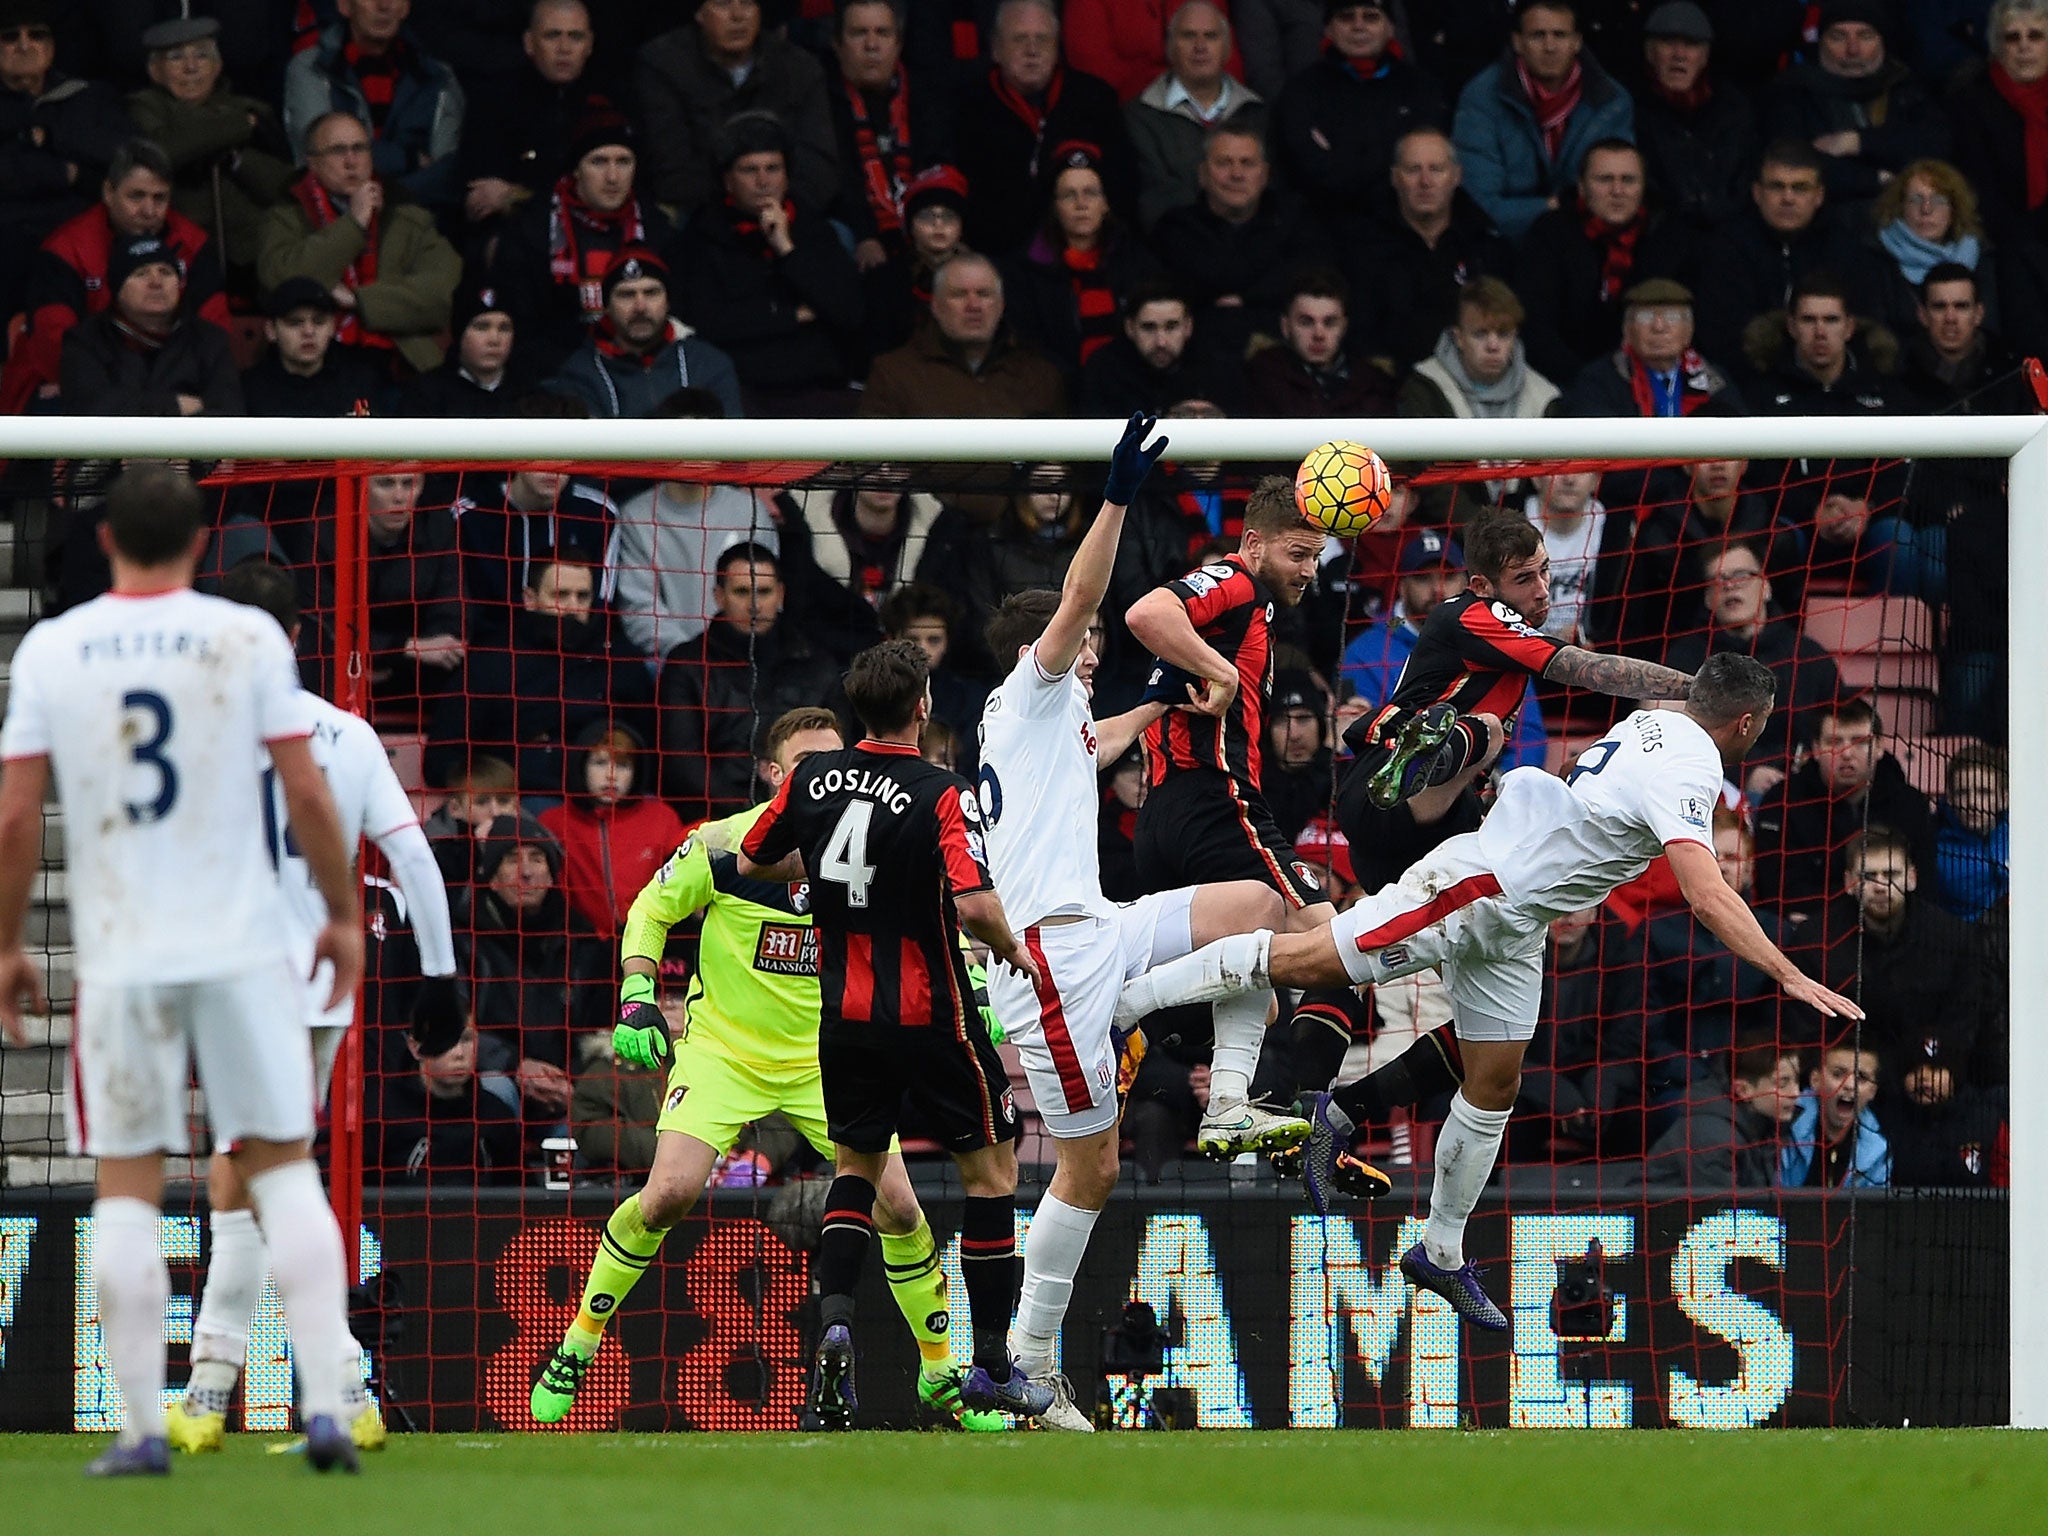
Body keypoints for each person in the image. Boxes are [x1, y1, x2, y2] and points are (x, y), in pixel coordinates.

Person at [1116, 653, 1864, 1328]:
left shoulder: (1658, 721)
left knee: (1494, 1079)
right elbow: (1707, 894)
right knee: (1308, 960)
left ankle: (1438, 1249)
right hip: (1480, 886)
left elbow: (1657, 695)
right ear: (1749, 722)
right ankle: (1128, 1003)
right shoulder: (1692, 766)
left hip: (1519, 918)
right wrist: (1790, 974)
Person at [0, 465, 367, 1473]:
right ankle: (330, 1410)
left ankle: (142, 1430)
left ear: (105, 538)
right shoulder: (245, 637)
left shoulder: (52, 648)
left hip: (125, 951)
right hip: (246, 947)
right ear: (203, 547)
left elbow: (17, 814)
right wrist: (340, 915)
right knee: (286, 1171)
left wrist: (3, 944)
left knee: (126, 1187)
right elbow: (304, 790)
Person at [529, 705, 1006, 1430]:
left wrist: (971, 992)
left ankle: (939, 1377)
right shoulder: (723, 845)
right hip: (724, 1053)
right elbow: (652, 911)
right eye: (810, 767)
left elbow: (932, 922)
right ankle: (577, 1343)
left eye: (836, 764)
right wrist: (634, 996)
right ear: (776, 775)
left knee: (901, 1209)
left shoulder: (873, 847)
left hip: (829, 1055)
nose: (831, 781)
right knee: (668, 1196)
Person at [976, 413, 1313, 1435]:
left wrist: (1178, 699)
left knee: (1269, 907)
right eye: (1074, 654)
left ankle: (1225, 1104)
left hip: (1096, 929)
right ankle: (1024, 1365)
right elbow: (1086, 599)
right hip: (1049, 968)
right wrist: (1116, 497)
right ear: (1046, 652)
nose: (1087, 662)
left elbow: (1111, 728)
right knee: (1093, 1166)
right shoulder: (1030, 692)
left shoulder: (1047, 727)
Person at [167, 559, 460, 1459]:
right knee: (247, 1172)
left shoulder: (192, 732)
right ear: (296, 636)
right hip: (324, 985)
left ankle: (336, 1389)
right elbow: (413, 860)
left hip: (238, 979)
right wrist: (441, 980)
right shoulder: (346, 733)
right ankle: (213, 1393)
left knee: (267, 1174)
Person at [737, 639, 1052, 1425]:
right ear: (922, 704)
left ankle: (837, 1323)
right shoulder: (942, 791)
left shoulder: (810, 778)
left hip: (844, 1020)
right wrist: (1015, 953)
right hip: (932, 1017)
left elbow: (750, 858)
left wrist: (823, 867)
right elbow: (975, 904)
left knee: (855, 1174)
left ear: (855, 710)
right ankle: (988, 1367)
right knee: (991, 1177)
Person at [0, 136, 232, 415]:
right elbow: (54, 342)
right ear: (109, 192)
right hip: (77, 383)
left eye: (160, 198)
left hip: (176, 382)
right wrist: (144, 402)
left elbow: (216, 335)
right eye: (136, 196)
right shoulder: (66, 248)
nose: (149, 210)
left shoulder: (194, 246)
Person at [676, 113, 864, 415]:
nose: (763, 181)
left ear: (787, 176)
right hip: (742, 390)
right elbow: (707, 323)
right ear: (727, 180)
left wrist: (786, 249)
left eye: (773, 169)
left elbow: (849, 311)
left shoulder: (813, 228)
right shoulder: (701, 236)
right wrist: (792, 315)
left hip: (819, 387)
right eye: (749, 170)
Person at [425, 554, 656, 795]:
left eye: (582, 596)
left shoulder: (620, 660)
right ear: (530, 599)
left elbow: (647, 753)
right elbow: (442, 758)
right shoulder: (492, 660)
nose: (572, 607)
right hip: (519, 806)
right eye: (560, 595)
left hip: (606, 806)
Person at [257, 109, 463, 375]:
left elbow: (442, 295)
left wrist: (359, 300)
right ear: (313, 162)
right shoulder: (286, 213)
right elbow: (281, 281)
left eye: (360, 149)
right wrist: (353, 224)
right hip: (316, 365)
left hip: (400, 361)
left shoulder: (406, 213)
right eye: (338, 150)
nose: (351, 161)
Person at [488, 106, 675, 376]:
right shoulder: (532, 231)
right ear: (576, 169)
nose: (613, 177)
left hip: (643, 368)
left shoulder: (657, 229)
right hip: (558, 371)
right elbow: (520, 329)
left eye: (623, 162)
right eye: (598, 162)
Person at [656, 543, 839, 820]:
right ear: (719, 596)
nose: (754, 604)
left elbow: (838, 749)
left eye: (764, 592)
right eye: (742, 591)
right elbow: (682, 763)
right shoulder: (687, 666)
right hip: (712, 820)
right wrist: (748, 813)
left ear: (780, 593)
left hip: (807, 815)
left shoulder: (818, 664)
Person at [952, 0, 1133, 257]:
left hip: (1086, 251)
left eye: (1042, 39)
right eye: (1020, 39)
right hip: (996, 254)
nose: (1032, 50)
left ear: (1057, 48)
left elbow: (1121, 185)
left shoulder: (1094, 100)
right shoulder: (967, 106)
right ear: (995, 49)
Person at [127, 14, 295, 281]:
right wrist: (236, 127)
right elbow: (161, 154)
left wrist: (237, 160)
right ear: (155, 71)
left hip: (255, 256)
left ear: (218, 66)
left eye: (202, 56)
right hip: (183, 257)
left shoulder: (253, 109)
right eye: (176, 57)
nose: (190, 67)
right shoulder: (144, 108)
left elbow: (286, 186)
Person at [634, 0, 838, 219]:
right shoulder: (663, 65)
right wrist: (739, 210)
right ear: (699, 14)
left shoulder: (799, 67)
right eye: (723, 4)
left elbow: (819, 166)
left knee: (838, 235)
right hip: (701, 216)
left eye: (748, 4)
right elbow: (671, 169)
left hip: (788, 212)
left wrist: (781, 211)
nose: (738, 16)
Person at [1450, 0, 1634, 242]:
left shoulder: (1611, 101)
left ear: (1577, 41)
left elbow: (1617, 200)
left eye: (1560, 35)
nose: (1550, 46)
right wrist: (1556, 207)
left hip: (1589, 243)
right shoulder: (1481, 98)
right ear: (1517, 42)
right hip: (1504, 245)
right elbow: (1478, 206)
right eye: (1538, 35)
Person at [1660, 543, 1841, 785]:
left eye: (1741, 575)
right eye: (1718, 580)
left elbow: (1841, 729)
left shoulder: (1809, 657)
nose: (1730, 585)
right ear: (1707, 599)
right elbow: (1668, 742)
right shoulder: (1684, 659)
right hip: (1714, 791)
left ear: (1766, 587)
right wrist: (1744, 776)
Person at [1817, 828, 1992, 1077]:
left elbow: (1963, 1020)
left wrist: (1941, 1066)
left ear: (1911, 878)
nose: (1880, 886)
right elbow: (1808, 1029)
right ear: (1848, 883)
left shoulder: (1954, 938)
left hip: (1929, 1073)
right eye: (1868, 876)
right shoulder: (1817, 940)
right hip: (1847, 1077)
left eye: (1891, 874)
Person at [1693, 139, 1882, 367]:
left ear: (1819, 195)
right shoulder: (1725, 247)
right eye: (1776, 186)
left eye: (1800, 188)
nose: (1788, 198)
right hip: (1749, 382)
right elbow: (1721, 336)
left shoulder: (1846, 250)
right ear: (1757, 193)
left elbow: (1866, 325)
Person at [1515, 139, 1688, 385]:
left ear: (1643, 188)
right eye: (1605, 179)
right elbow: (1535, 327)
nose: (1617, 190)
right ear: (1582, 187)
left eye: (1628, 180)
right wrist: (1590, 384)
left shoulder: (1670, 239)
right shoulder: (1550, 234)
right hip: (1563, 383)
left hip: (1655, 382)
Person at [1345, 125, 1514, 374]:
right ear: (1394, 177)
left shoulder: (1486, 245)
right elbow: (1359, 334)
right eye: (1413, 170)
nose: (1425, 181)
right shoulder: (1363, 247)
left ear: (1457, 176)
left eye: (1436, 169)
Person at [1149, 124, 1329, 358]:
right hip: (1200, 359)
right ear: (1202, 174)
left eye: (1247, 163)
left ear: (1265, 175)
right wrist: (1268, 287)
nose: (1236, 174)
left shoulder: (1296, 217)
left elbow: (1315, 277)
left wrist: (1245, 297)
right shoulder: (1175, 227)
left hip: (1288, 357)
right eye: (1224, 163)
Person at [1750, 693, 1938, 915]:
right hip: (1807, 935)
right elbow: (1777, 893)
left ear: (1879, 747)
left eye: (1859, 742)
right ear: (1817, 748)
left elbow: (1924, 889)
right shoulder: (1781, 801)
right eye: (1835, 742)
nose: (1847, 753)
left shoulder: (1910, 804)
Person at [1762, 0, 1950, 212]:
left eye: (1865, 36)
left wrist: (1857, 142)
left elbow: (1935, 145)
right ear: (1820, 41)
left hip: (1905, 218)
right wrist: (1878, 179)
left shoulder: (1904, 86)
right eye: (1838, 37)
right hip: (1825, 220)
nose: (1853, 49)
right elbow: (1793, 163)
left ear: (1882, 41)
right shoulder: (1792, 92)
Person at [282, 0, 466, 216]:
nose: (384, 5)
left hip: (419, 224)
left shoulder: (438, 76)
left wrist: (383, 200)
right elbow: (324, 159)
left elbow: (446, 171)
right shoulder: (312, 69)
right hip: (335, 222)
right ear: (344, 5)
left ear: (406, 7)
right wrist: (410, 159)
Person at [1002, 140, 1159, 390]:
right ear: (1054, 206)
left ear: (1105, 203)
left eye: (1091, 193)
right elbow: (1030, 346)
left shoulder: (1137, 262)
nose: (1081, 204)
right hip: (1056, 394)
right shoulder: (1026, 270)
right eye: (1068, 195)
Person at [1271, 2, 1445, 227]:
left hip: (1404, 227)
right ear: (1329, 29)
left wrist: (1342, 159)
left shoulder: (1422, 89)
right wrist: (1388, 164)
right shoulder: (1302, 92)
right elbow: (1308, 170)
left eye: (1371, 17)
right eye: (1346, 17)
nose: (1358, 26)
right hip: (1326, 228)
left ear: (1391, 28)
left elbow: (1425, 163)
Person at [543, 245, 744, 420]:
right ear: (606, 306)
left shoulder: (708, 364)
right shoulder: (579, 374)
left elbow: (734, 446)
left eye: (651, 293)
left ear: (668, 302)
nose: (640, 306)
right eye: (626, 295)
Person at [859, 251, 1067, 421]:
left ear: (1002, 305)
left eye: (984, 294)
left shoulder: (1041, 376)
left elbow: (1065, 462)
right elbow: (872, 465)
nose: (974, 306)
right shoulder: (893, 375)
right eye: (959, 294)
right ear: (936, 306)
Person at [456, 0, 607, 230]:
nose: (564, 48)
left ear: (589, 45)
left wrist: (516, 195)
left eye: (575, 37)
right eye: (552, 36)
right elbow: (480, 198)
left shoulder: (610, 103)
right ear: (529, 43)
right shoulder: (494, 100)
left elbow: (617, 194)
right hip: (514, 233)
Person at [59, 234, 242, 416]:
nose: (156, 282)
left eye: (165, 272)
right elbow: (91, 410)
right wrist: (173, 405)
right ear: (118, 289)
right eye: (141, 273)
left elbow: (229, 412)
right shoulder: (85, 341)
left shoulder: (210, 339)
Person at [538, 723, 686, 938]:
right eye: (600, 763)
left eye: (623, 765)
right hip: (578, 944)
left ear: (637, 772)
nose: (611, 775)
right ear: (581, 766)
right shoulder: (553, 822)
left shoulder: (662, 818)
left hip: (653, 939)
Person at [1127, 2, 1266, 230]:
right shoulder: (1139, 117)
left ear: (1227, 48)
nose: (1200, 46)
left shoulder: (1257, 113)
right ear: (1170, 47)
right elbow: (1153, 200)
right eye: (1188, 36)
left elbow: (1272, 194)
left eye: (1210, 36)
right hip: (1177, 248)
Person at [1630, 2, 1759, 241]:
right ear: (1650, 52)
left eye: (1691, 44)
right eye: (1668, 43)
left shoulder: (1733, 109)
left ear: (1705, 57)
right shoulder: (1631, 110)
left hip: (1729, 236)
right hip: (1660, 238)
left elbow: (1745, 180)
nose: (1679, 55)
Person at [1642, 1027, 1802, 1189]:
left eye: (1796, 1081)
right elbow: (1721, 1211)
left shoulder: (1761, 1125)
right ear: (1743, 1090)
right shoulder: (1713, 1138)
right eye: (1782, 1084)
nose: (1795, 1093)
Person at [1560, 277, 1743, 417]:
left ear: (1689, 330)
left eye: (1671, 317)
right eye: (1645, 317)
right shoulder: (1599, 381)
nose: (1659, 327)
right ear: (1627, 329)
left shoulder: (1714, 380)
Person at [1864, 159, 1999, 345]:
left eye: (1938, 200)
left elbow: (1990, 329)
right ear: (1900, 207)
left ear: (1954, 209)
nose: (1926, 209)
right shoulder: (1876, 257)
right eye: (1916, 200)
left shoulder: (1981, 256)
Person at [1240, 267, 1393, 418]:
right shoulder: (1262, 379)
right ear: (1285, 326)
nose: (1319, 334)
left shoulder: (1373, 384)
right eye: (1306, 322)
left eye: (1330, 322)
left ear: (1344, 327)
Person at [1077, 278, 1242, 416]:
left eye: (1171, 326)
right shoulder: (1103, 370)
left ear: (1188, 326)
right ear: (1130, 328)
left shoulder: (1217, 369)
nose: (1161, 342)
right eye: (1149, 327)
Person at [241, 277, 382, 417]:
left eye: (319, 321)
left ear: (333, 326)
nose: (308, 331)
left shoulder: (360, 382)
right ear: (271, 330)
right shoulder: (247, 389)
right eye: (295, 322)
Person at [395, 283, 528, 417]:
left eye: (504, 328)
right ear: (460, 334)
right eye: (482, 327)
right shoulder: (425, 396)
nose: (494, 339)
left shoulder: (529, 395)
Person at [1780, 1039, 1889, 1188]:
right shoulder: (1783, 1127)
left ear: (1873, 1091)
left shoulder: (1879, 1149)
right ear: (1815, 1080)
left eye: (1861, 1078)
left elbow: (1874, 1209)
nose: (1850, 1085)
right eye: (1838, 1074)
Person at [1935, 742, 2009, 922]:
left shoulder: (2021, 835)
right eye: (1962, 793)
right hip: (1967, 941)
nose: (1972, 803)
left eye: (1984, 792)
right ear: (1950, 798)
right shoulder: (1939, 850)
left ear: (2004, 799)